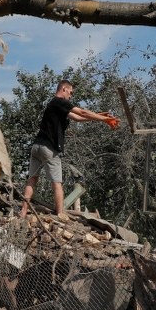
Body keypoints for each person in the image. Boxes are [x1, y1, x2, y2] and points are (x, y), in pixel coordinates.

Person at [19, 80, 118, 219]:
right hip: (49, 148)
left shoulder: (54, 104)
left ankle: (23, 211)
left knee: (32, 180)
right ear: (64, 89)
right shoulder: (60, 101)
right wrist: (103, 119)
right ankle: (60, 214)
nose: (71, 96)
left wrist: (98, 116)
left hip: (36, 147)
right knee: (57, 184)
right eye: (70, 92)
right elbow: (82, 111)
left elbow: (78, 118)